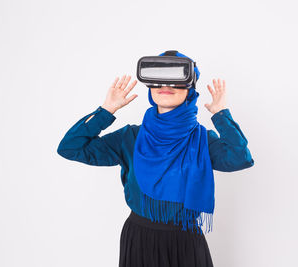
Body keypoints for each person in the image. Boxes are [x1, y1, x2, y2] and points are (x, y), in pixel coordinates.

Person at [57, 51, 254, 267]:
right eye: (157, 79)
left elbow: (240, 158)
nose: (165, 85)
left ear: (190, 88)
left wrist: (221, 114)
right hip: (140, 241)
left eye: (175, 80)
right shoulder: (130, 138)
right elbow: (70, 148)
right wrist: (106, 110)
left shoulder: (202, 140)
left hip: (185, 243)